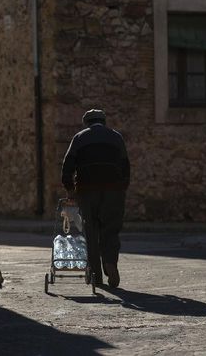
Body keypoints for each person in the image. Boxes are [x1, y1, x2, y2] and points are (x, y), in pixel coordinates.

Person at [61, 109, 130, 288]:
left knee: (90, 231)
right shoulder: (116, 137)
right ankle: (110, 263)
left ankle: (95, 275)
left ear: (87, 123)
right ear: (103, 121)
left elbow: (68, 165)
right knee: (111, 229)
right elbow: (125, 165)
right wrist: (121, 187)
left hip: (87, 190)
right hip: (113, 190)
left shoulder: (79, 138)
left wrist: (69, 188)